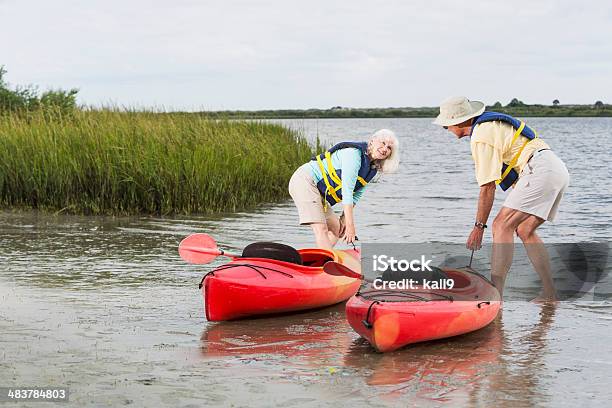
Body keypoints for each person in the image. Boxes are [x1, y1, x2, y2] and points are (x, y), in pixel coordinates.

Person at [434, 96, 569, 301]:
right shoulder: (490, 125)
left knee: (500, 226)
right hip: (556, 168)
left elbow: (488, 187)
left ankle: (496, 297)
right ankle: (550, 294)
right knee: (524, 229)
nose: (446, 129)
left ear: (458, 122)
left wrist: (479, 227)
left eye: (446, 126)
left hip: (540, 169)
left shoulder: (480, 135)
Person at [289, 129, 399, 250]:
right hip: (305, 181)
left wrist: (344, 219)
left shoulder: (371, 168)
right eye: (383, 143)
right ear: (372, 141)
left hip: (319, 193)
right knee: (321, 228)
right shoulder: (354, 155)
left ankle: (319, 258)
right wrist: (351, 227)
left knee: (338, 229)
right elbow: (347, 191)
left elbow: (356, 195)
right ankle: (325, 264)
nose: (385, 149)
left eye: (389, 148)